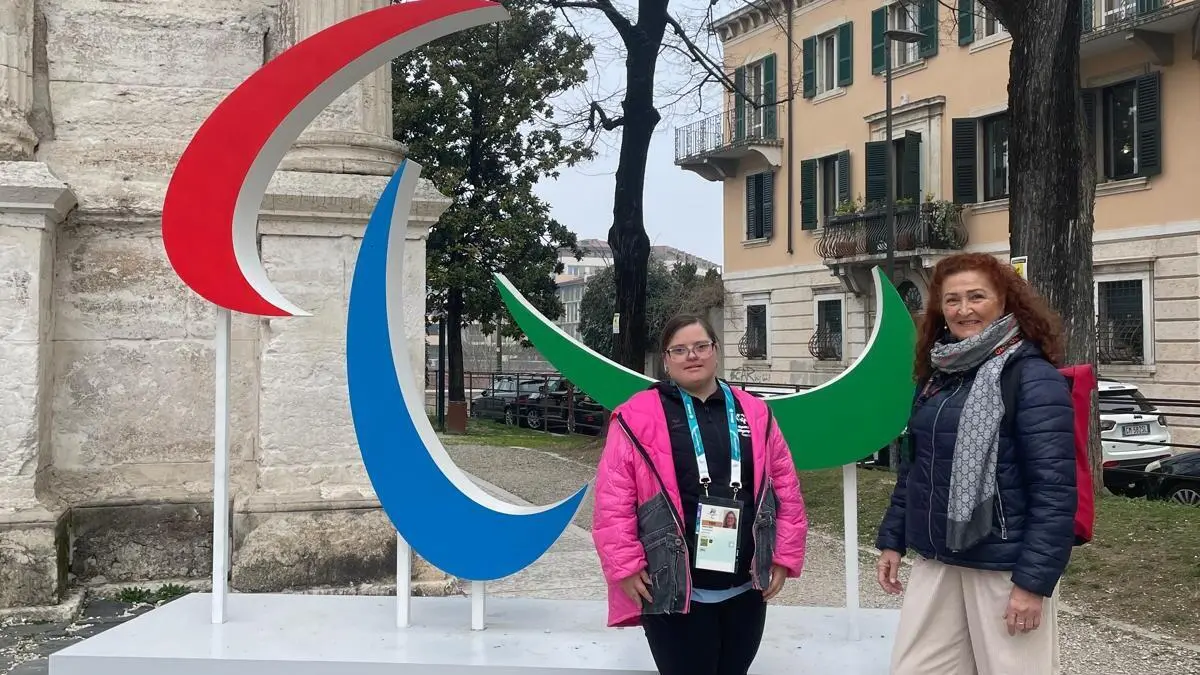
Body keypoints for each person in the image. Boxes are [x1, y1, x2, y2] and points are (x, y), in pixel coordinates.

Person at [875, 253, 1077, 675]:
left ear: (1003, 301)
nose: (963, 309)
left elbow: (1055, 492)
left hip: (1003, 563)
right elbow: (914, 468)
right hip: (939, 556)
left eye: (976, 296)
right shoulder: (937, 375)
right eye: (952, 300)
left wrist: (1032, 583)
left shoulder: (1032, 376)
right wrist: (892, 539)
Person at [592, 314, 808, 675]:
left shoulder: (755, 412)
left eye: (701, 346)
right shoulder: (636, 415)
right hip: (673, 587)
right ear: (666, 360)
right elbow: (613, 500)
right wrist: (626, 567)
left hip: (745, 588)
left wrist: (784, 556)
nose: (692, 356)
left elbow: (787, 487)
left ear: (716, 351)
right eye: (679, 350)